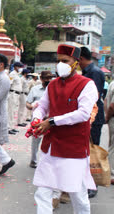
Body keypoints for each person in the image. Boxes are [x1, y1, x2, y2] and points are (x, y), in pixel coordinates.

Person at [32, 44, 98, 214]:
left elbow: (83, 114)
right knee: (43, 192)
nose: (60, 64)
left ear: (76, 62)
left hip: (73, 149)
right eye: (58, 61)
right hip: (51, 146)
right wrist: (37, 118)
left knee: (77, 194)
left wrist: (52, 121)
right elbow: (42, 106)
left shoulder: (87, 85)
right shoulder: (52, 84)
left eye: (65, 61)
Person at [79, 46, 105, 198]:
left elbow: (92, 99)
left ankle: (92, 185)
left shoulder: (94, 73)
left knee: (92, 151)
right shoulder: (88, 72)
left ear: (81, 58)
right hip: (89, 117)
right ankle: (84, 182)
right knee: (85, 151)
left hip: (93, 118)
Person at [26, 71, 53, 169]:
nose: (48, 80)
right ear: (41, 79)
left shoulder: (55, 89)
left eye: (50, 78)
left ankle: (47, 162)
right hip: (38, 120)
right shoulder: (35, 89)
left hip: (51, 120)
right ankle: (33, 160)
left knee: (50, 141)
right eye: (46, 78)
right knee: (36, 141)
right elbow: (28, 103)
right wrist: (33, 106)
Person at [8, 62, 23, 134]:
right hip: (13, 94)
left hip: (17, 94)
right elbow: (9, 84)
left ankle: (12, 126)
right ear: (15, 67)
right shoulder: (12, 74)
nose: (21, 68)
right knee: (11, 111)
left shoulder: (17, 75)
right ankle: (9, 128)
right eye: (19, 67)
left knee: (14, 111)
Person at [104, 80, 114, 185]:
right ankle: (112, 174)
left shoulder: (112, 83)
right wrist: (107, 117)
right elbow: (112, 106)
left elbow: (106, 101)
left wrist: (107, 116)